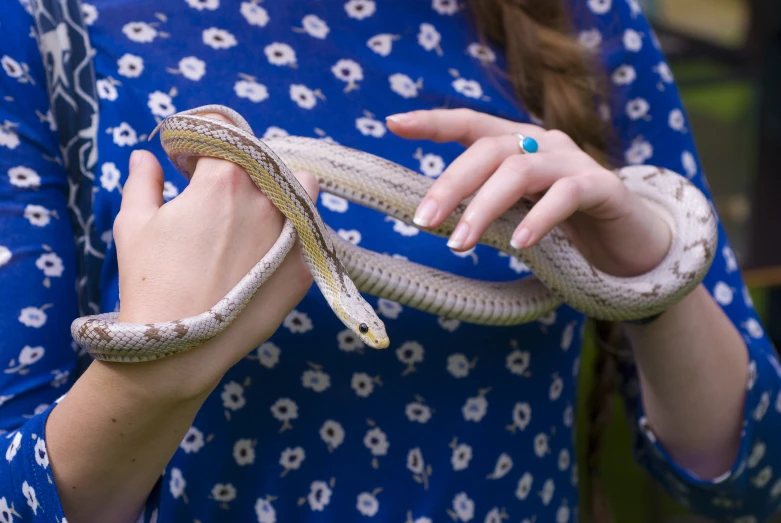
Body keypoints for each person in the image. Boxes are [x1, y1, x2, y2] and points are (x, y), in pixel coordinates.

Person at [1, 0, 778, 522]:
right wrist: (165, 356)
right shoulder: (40, 26)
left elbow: (754, 479)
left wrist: (648, 271)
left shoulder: (577, 13)